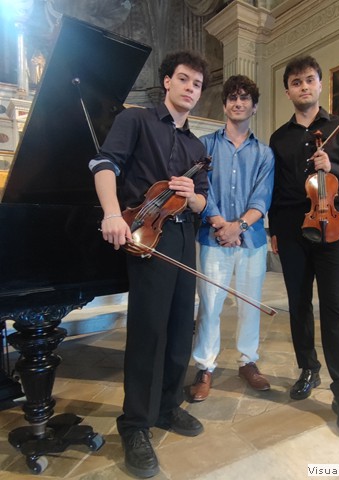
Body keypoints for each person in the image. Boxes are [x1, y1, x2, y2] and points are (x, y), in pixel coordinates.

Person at [89, 51, 210, 478]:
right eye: (184, 79)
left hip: (183, 236)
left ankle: (167, 407)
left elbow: (203, 202)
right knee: (149, 331)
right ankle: (135, 424)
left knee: (180, 327)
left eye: (197, 84)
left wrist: (191, 195)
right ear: (167, 81)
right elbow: (105, 164)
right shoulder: (136, 120)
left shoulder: (198, 147)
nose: (190, 88)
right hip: (148, 233)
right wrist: (110, 213)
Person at [268, 56, 339, 436]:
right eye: (296, 82)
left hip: (332, 227)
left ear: (320, 84)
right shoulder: (279, 138)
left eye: (309, 80)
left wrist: (333, 167)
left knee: (335, 309)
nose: (304, 87)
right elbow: (276, 190)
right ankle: (308, 368)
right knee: (298, 304)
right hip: (292, 229)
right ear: (288, 91)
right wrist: (274, 230)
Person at [189, 75, 275, 402]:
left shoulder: (264, 153)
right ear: (225, 105)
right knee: (210, 306)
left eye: (244, 98)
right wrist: (220, 223)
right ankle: (205, 367)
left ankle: (247, 361)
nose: (238, 103)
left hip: (251, 241)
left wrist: (237, 226)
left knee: (249, 305)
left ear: (254, 106)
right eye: (233, 98)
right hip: (213, 238)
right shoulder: (204, 145)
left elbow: (262, 198)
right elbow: (201, 188)